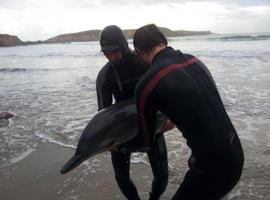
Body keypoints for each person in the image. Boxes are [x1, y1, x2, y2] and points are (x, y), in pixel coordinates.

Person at [132, 24, 244, 200]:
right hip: (236, 151)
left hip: (213, 168)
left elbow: (145, 140)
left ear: (138, 51)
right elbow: (204, 102)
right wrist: (175, 117)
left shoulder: (147, 84)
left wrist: (118, 145)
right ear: (164, 41)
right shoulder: (194, 61)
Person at [96, 25, 169, 200]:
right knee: (121, 176)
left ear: (123, 46)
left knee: (162, 176)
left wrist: (169, 117)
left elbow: (165, 90)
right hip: (123, 129)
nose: (111, 56)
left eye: (114, 51)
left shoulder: (144, 60)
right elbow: (103, 114)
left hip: (151, 122)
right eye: (106, 53)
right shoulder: (105, 76)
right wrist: (108, 140)